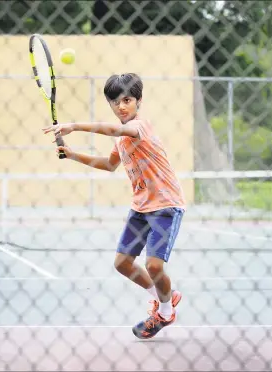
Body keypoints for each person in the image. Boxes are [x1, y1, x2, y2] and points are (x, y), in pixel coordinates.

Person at [42, 73, 186, 339]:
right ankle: (164, 295)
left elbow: (116, 129)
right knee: (122, 263)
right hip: (141, 208)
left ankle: (165, 311)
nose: (121, 107)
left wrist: (74, 125)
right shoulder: (121, 142)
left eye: (127, 100)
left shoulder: (140, 127)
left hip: (166, 205)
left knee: (154, 266)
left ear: (138, 101)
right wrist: (73, 155)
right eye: (115, 102)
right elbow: (108, 165)